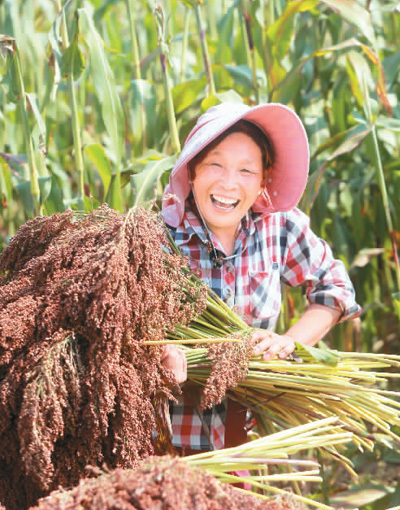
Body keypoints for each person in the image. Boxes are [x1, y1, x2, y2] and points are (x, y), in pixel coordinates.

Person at [160, 101, 361, 454]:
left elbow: (335, 287)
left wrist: (290, 342)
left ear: (264, 180)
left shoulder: (280, 228)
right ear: (191, 171)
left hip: (244, 440)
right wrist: (160, 352)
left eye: (246, 171)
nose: (228, 182)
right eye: (215, 164)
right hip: (165, 438)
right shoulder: (157, 238)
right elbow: (120, 328)